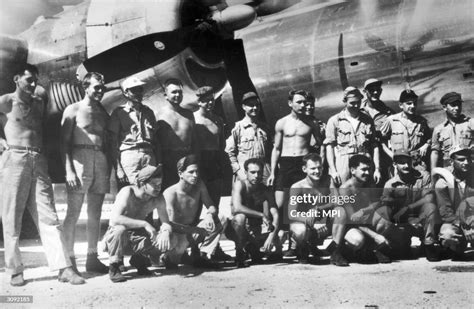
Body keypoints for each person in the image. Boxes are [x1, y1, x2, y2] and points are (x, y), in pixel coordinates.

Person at [0, 64, 84, 286]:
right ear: (17, 78)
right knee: (12, 218)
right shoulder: (6, 101)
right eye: (29, 80)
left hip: (39, 160)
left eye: (36, 81)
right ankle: (15, 270)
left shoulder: (39, 102)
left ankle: (63, 268)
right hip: (14, 160)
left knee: (49, 216)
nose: (34, 84)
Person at [61, 72, 110, 274]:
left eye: (102, 87)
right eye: (96, 87)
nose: (100, 90)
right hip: (79, 159)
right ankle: (68, 260)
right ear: (85, 86)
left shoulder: (103, 112)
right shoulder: (73, 110)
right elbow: (63, 144)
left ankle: (92, 257)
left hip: (100, 160)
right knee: (73, 213)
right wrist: (69, 171)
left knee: (95, 213)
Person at [103, 165, 173, 282]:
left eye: (160, 184)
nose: (158, 188)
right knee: (119, 229)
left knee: (171, 239)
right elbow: (115, 219)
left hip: (136, 237)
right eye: (154, 184)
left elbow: (166, 222)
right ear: (142, 183)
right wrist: (145, 224)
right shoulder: (127, 192)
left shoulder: (158, 198)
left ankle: (138, 259)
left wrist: (166, 231)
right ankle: (114, 266)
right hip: (117, 237)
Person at [162, 155, 227, 269]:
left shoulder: (199, 185)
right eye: (191, 172)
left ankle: (203, 255)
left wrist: (209, 215)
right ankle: (168, 256)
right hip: (176, 234)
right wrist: (195, 230)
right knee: (175, 259)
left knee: (221, 218)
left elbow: (211, 205)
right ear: (180, 174)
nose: (195, 175)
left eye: (197, 172)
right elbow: (170, 224)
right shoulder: (170, 193)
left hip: (191, 231)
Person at [379, 149, 440, 261]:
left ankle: (429, 244)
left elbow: (429, 198)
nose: (406, 166)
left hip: (421, 219)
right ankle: (393, 243)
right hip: (402, 222)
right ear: (394, 164)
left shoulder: (423, 177)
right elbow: (386, 207)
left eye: (408, 162)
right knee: (384, 211)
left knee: (431, 207)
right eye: (402, 163)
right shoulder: (390, 184)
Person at [331, 155, 392, 266]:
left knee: (385, 212)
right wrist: (375, 235)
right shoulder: (345, 189)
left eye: (369, 169)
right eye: (363, 169)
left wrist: (364, 210)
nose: (367, 173)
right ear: (353, 170)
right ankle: (342, 251)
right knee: (357, 240)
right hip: (351, 226)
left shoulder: (368, 183)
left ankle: (374, 249)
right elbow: (353, 218)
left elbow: (377, 203)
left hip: (365, 220)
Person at [108, 76, 160, 188]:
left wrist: (158, 163)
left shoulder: (149, 112)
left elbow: (156, 140)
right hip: (129, 156)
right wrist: (119, 169)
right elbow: (112, 143)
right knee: (132, 192)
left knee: (150, 191)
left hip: (149, 156)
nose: (138, 93)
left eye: (140, 89)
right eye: (134, 90)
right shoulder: (119, 113)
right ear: (126, 93)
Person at [324, 86, 381, 187]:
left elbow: (374, 145)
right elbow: (330, 147)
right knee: (342, 193)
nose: (356, 105)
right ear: (345, 101)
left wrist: (377, 169)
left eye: (358, 102)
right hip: (344, 161)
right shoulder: (334, 120)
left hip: (364, 160)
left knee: (367, 193)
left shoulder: (367, 120)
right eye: (352, 103)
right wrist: (333, 170)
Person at [230, 158, 280, 267]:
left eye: (259, 172)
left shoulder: (265, 190)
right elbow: (237, 207)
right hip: (237, 229)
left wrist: (271, 236)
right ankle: (239, 253)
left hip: (255, 229)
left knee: (278, 232)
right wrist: (261, 215)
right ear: (246, 172)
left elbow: (276, 214)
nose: (256, 176)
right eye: (253, 172)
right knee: (240, 218)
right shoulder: (240, 185)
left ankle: (252, 248)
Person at [288, 153, 331, 263]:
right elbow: (291, 214)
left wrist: (318, 210)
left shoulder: (327, 181)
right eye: (313, 168)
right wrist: (311, 221)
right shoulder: (297, 187)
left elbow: (337, 201)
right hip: (302, 221)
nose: (317, 171)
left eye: (319, 167)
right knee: (301, 231)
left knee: (339, 215)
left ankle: (333, 250)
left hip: (321, 219)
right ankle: (301, 247)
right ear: (304, 169)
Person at [433, 146, 474, 259]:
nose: (466, 163)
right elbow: (446, 213)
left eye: (468, 159)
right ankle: (457, 248)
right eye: (461, 160)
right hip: (455, 222)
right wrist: (465, 227)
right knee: (447, 235)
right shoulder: (443, 183)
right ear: (451, 161)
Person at [156, 78, 196, 189]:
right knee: (169, 194)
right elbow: (156, 142)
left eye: (180, 92)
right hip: (167, 161)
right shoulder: (158, 115)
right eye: (174, 92)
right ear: (165, 95)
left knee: (187, 194)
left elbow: (194, 140)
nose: (177, 94)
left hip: (187, 159)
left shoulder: (189, 114)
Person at [225, 91, 272, 183]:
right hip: (244, 174)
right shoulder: (237, 128)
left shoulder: (265, 128)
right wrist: (239, 171)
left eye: (257, 105)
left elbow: (270, 151)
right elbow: (230, 152)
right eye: (251, 105)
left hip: (263, 174)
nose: (255, 108)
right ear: (244, 107)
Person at [380, 90, 431, 171]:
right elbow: (381, 140)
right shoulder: (391, 120)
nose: (413, 106)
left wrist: (426, 145)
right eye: (409, 103)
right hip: (399, 163)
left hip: (417, 163)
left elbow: (430, 138)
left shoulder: (422, 122)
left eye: (415, 103)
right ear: (400, 105)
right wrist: (391, 155)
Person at [194, 86, 225, 206]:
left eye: (212, 99)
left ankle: (215, 223)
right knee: (196, 202)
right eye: (206, 100)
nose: (211, 102)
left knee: (214, 199)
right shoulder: (193, 119)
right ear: (199, 102)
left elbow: (221, 143)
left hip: (215, 162)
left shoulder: (218, 120)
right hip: (199, 161)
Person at [361, 78, 395, 184]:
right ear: (365, 92)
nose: (375, 92)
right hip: (364, 155)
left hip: (384, 158)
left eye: (378, 90)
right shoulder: (358, 111)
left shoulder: (388, 113)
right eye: (371, 90)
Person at [431, 92, 474, 170]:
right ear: (444, 107)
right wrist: (433, 172)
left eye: (459, 104)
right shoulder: (439, 129)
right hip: (449, 170)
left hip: (468, 168)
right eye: (453, 105)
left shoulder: (470, 123)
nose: (457, 108)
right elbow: (435, 153)